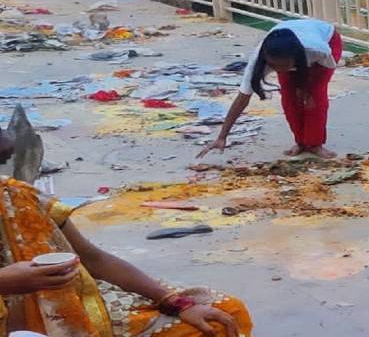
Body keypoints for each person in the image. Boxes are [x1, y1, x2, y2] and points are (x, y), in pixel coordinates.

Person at [0, 126, 252, 336]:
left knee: (223, 316)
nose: (8, 144)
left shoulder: (15, 196)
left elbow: (93, 259)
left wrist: (176, 303)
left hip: (74, 306)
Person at [200, 18, 343, 160]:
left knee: (315, 97)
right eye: (274, 66)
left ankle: (315, 144)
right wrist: (222, 137)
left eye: (284, 66)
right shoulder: (260, 60)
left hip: (327, 41)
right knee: (289, 98)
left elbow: (326, 68)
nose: (280, 70)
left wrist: (307, 89)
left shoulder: (319, 51)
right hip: (289, 46)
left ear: (295, 59)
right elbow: (242, 99)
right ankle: (301, 142)